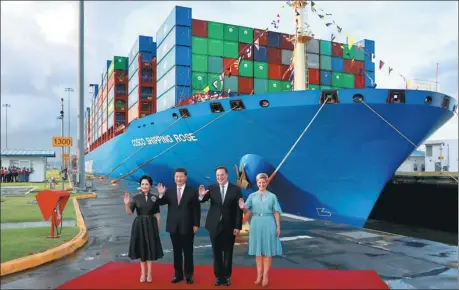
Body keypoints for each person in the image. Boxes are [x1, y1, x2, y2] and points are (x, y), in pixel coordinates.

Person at [198, 166, 243, 286]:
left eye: (222, 175)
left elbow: (239, 210)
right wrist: (201, 195)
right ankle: (218, 277)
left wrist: (238, 226)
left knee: (228, 252)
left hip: (229, 225)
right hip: (214, 225)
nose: (220, 177)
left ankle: (227, 276)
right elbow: (202, 200)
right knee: (216, 251)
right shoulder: (212, 188)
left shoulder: (236, 190)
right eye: (218, 175)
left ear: (227, 175)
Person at [157, 168, 200, 284]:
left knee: (188, 252)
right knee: (176, 252)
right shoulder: (169, 190)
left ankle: (189, 275)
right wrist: (161, 194)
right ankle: (178, 275)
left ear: (185, 177)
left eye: (181, 176)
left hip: (188, 225)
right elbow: (161, 202)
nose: (179, 179)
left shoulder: (192, 191)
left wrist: (196, 224)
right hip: (173, 226)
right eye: (176, 176)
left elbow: (197, 209)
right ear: (174, 177)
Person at [238, 173, 283, 287]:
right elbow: (246, 208)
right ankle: (259, 276)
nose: (262, 184)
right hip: (256, 223)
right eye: (259, 182)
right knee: (258, 252)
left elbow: (276, 212)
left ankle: (266, 276)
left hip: (269, 222)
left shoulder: (272, 196)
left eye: (264, 182)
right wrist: (242, 206)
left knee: (267, 251)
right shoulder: (252, 196)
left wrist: (278, 226)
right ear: (257, 183)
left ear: (267, 182)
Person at [124, 175, 164, 283]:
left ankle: (150, 273)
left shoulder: (154, 197)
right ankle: (143, 273)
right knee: (142, 248)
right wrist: (126, 204)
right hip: (139, 225)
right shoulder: (136, 197)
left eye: (146, 184)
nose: (144, 186)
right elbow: (129, 213)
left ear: (150, 185)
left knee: (150, 248)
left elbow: (158, 214)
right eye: (142, 184)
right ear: (140, 185)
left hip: (151, 225)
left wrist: (158, 227)